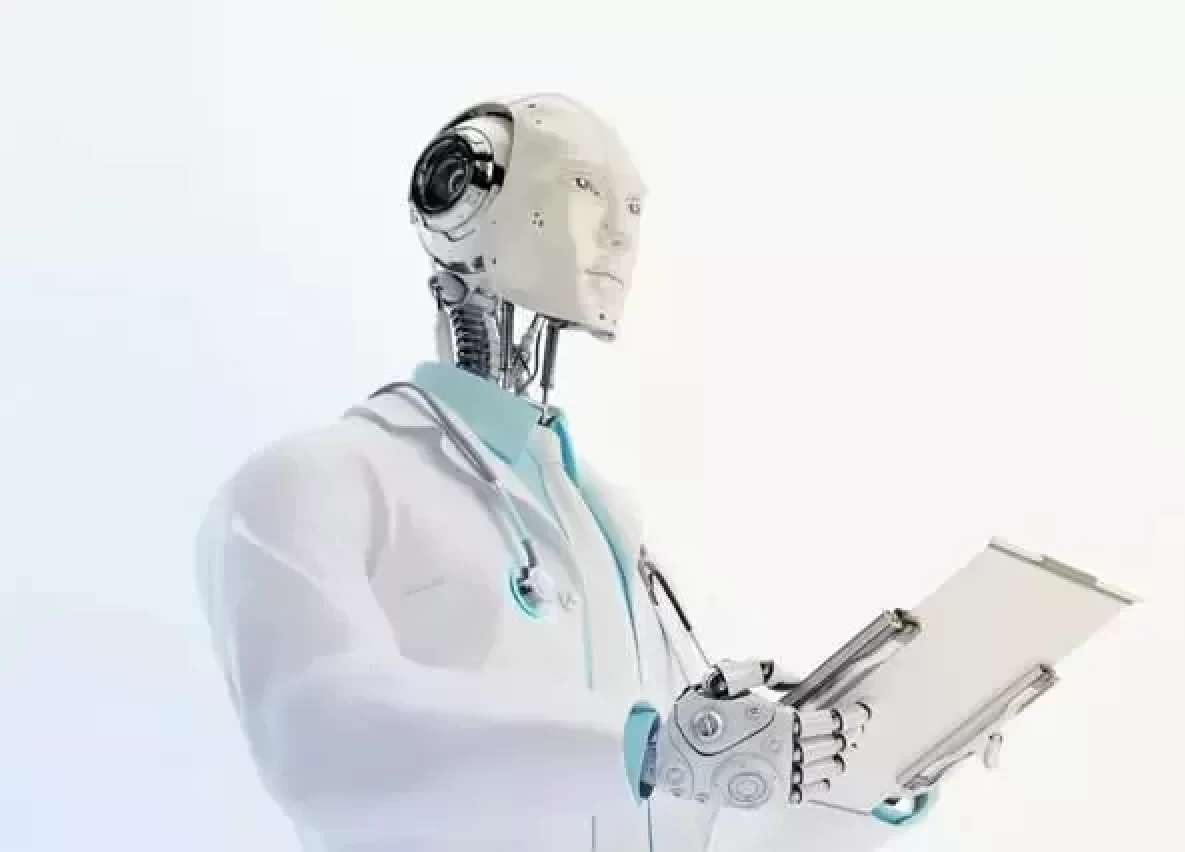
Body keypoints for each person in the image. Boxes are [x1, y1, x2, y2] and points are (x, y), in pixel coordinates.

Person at [194, 93, 929, 852]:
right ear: (461, 195)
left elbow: (690, 814)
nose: (619, 233)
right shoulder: (316, 479)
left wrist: (855, 773)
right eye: (584, 188)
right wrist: (646, 748)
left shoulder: (612, 529)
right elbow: (321, 735)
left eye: (633, 207)